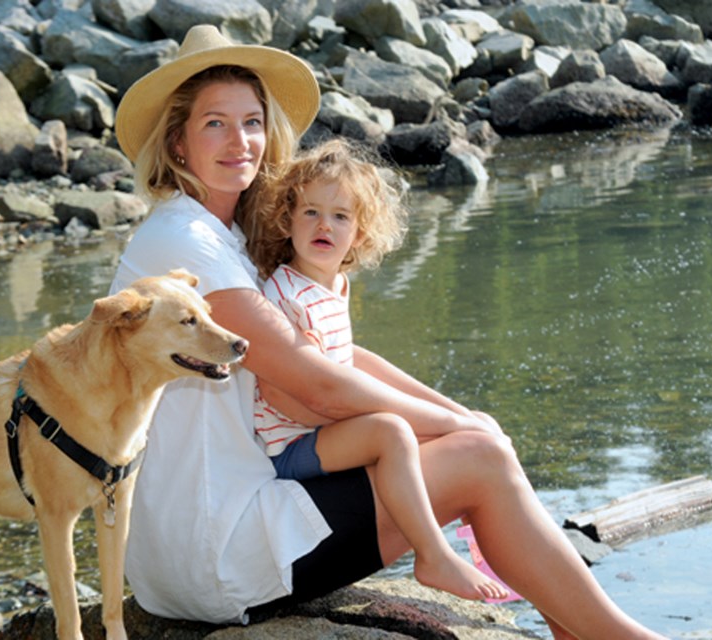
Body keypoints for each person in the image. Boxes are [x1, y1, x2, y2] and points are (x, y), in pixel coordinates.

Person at [110, 23, 667, 640]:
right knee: (480, 460)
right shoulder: (185, 244)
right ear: (178, 143)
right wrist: (460, 430)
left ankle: (578, 632)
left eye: (252, 121)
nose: (240, 140)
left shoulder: (223, 238)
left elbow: (340, 354)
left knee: (480, 440)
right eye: (215, 122)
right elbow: (317, 385)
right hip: (216, 553)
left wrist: (459, 412)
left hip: (210, 533)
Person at [250, 138, 508, 602]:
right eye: (310, 212)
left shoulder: (332, 286)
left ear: (360, 234)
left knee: (466, 433)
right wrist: (380, 419)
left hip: (324, 434)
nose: (323, 225)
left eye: (340, 216)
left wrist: (453, 415)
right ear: (287, 220)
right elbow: (293, 397)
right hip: (289, 447)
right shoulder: (283, 296)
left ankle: (480, 535)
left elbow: (347, 363)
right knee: (391, 432)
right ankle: (432, 554)